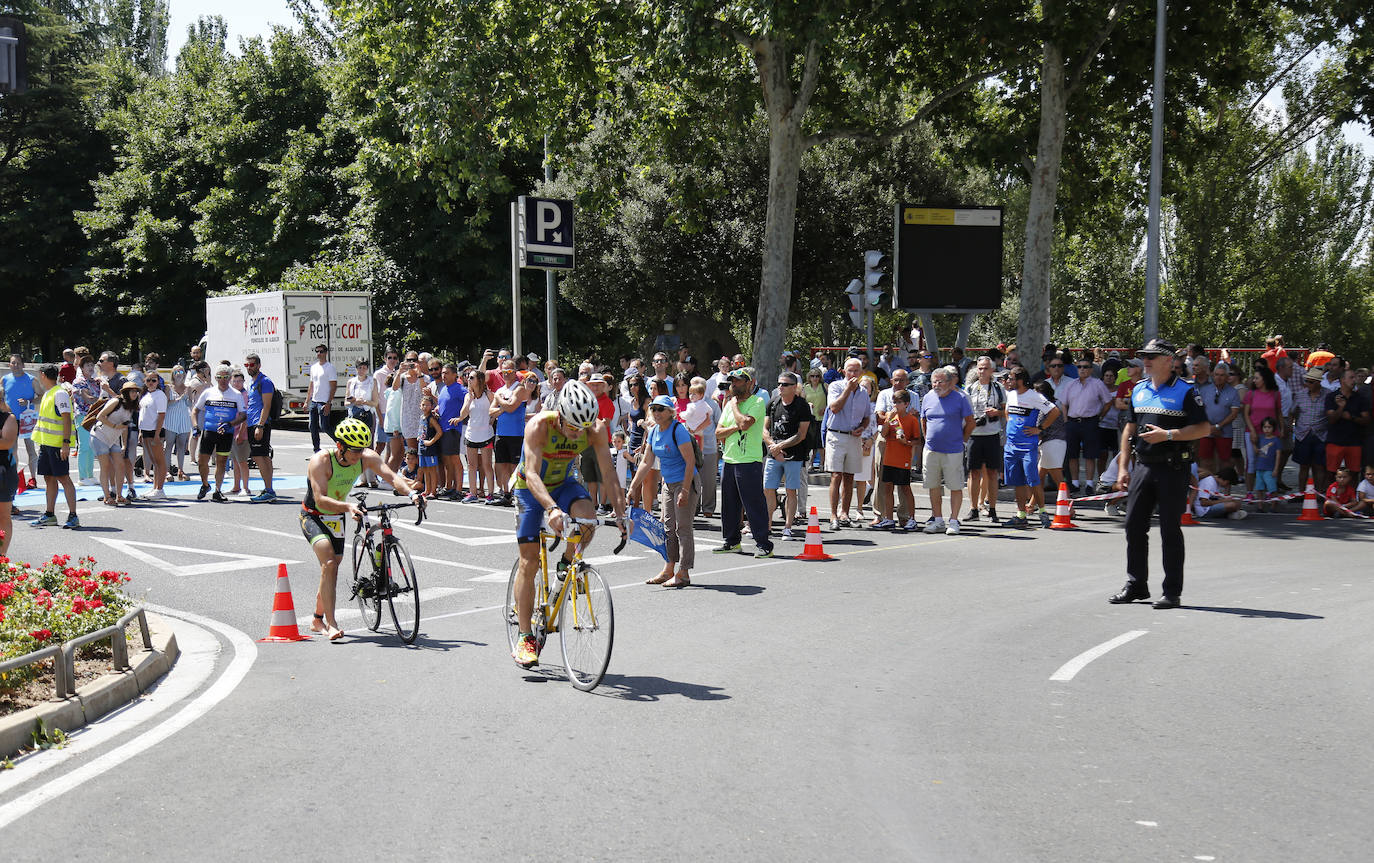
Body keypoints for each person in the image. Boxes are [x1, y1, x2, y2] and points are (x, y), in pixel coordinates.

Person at [510, 381, 627, 668]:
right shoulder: (539, 425)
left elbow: (609, 473)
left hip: (564, 483)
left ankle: (566, 563)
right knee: (529, 562)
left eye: (582, 428)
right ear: (560, 415)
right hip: (530, 487)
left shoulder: (594, 429)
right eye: (572, 427)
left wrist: (622, 515)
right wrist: (551, 509)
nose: (578, 433)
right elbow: (533, 474)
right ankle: (525, 638)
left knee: (587, 519)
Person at [1110, 340, 1211, 610]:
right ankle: (1136, 584)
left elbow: (1203, 428)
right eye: (1144, 356)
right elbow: (1129, 430)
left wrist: (1168, 435)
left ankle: (1172, 591)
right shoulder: (1139, 390)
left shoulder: (1187, 391)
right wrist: (1122, 467)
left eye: (1152, 356)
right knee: (1133, 526)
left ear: (1168, 360)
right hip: (1143, 466)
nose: (1146, 360)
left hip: (1172, 467)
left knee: (1169, 530)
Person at [301, 417, 423, 641]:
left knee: (331, 567)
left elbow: (391, 476)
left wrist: (412, 494)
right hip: (314, 515)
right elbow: (320, 499)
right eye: (354, 451)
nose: (359, 455)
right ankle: (331, 624)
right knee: (329, 562)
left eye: (362, 450)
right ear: (340, 446)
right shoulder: (321, 461)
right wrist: (348, 506)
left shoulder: (366, 457)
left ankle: (317, 619)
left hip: (337, 515)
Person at [630, 395, 699, 586]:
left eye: (661, 409)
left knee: (682, 527)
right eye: (654, 409)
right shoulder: (653, 432)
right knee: (668, 528)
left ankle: (683, 572)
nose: (656, 413)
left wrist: (685, 491)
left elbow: (690, 461)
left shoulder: (678, 430)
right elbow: (646, 462)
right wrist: (633, 487)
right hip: (668, 484)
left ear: (670, 412)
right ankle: (669, 568)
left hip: (685, 481)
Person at [714, 368, 774, 557]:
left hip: (749, 461)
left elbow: (745, 424)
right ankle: (732, 541)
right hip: (730, 460)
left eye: (739, 381)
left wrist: (733, 407)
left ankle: (763, 544)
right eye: (732, 381)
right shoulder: (728, 405)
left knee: (754, 504)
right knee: (729, 504)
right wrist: (734, 426)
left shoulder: (756, 401)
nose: (734, 384)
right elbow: (718, 432)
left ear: (749, 383)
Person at [918, 366, 974, 535]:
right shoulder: (928, 397)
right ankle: (937, 520)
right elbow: (924, 420)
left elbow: (971, 422)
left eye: (940, 381)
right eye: (934, 381)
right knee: (933, 485)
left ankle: (954, 521)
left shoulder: (960, 398)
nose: (936, 385)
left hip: (953, 450)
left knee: (955, 486)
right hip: (931, 450)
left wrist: (962, 441)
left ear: (950, 383)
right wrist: (928, 439)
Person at [1002, 367, 1060, 529]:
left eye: (1011, 378)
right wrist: (1011, 426)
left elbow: (1055, 411)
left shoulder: (1034, 396)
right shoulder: (1011, 395)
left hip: (1028, 446)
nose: (1008, 381)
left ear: (1020, 380)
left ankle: (1042, 512)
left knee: (1033, 480)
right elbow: (1007, 412)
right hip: (1011, 446)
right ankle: (1021, 515)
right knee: (1018, 482)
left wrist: (1039, 429)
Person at [762, 372, 812, 540]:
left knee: (791, 490)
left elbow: (801, 434)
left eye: (784, 384)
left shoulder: (802, 406)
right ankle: (767, 525)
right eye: (779, 383)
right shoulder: (773, 403)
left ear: (794, 387)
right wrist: (773, 447)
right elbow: (764, 429)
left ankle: (788, 527)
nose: (780, 387)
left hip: (794, 455)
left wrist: (781, 446)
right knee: (768, 489)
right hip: (773, 453)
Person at [30, 364, 79, 529]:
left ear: (43, 375)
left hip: (57, 445)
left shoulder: (59, 394)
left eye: (39, 375)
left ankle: (73, 516)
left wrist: (65, 444)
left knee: (64, 478)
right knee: (49, 478)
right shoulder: (49, 393)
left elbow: (66, 418)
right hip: (46, 444)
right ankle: (49, 514)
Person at [825, 357, 872, 530]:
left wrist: (862, 427)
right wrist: (847, 390)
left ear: (861, 373)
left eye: (856, 371)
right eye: (850, 370)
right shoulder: (836, 387)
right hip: (837, 435)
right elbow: (834, 408)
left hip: (854, 437)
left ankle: (844, 513)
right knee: (836, 475)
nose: (853, 374)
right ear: (844, 371)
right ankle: (833, 515)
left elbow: (867, 416)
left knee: (849, 477)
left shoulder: (863, 392)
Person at [1058, 354, 1113, 495]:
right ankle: (1075, 483)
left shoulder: (1097, 384)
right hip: (1072, 422)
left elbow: (1108, 402)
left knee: (1090, 455)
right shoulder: (1071, 384)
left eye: (1085, 367)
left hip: (1090, 421)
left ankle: (1089, 483)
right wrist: (1065, 420)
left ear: (1090, 369)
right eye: (1079, 367)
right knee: (1072, 454)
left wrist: (1099, 416)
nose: (1082, 369)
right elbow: (1064, 403)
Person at [194, 366, 247, 503]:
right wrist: (195, 426)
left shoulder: (236, 394)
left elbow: (242, 415)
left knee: (221, 462)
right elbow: (195, 410)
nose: (222, 380)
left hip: (226, 432)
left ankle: (218, 490)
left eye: (225, 377)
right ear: (216, 378)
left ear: (230, 378)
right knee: (202, 461)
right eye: (220, 377)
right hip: (209, 431)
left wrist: (230, 424)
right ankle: (205, 485)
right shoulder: (208, 392)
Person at [872, 389, 920, 530]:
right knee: (888, 487)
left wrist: (907, 442)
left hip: (903, 459)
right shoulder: (891, 417)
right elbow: (885, 433)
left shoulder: (911, 420)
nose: (896, 405)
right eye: (894, 402)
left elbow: (917, 440)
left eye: (899, 402)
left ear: (906, 404)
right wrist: (888, 419)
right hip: (889, 458)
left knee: (905, 487)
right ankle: (889, 518)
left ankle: (911, 518)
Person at [965, 357, 1005, 522]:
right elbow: (964, 412)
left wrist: (997, 412)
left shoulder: (998, 387)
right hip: (975, 434)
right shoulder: (970, 388)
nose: (982, 371)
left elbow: (1006, 410)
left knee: (992, 472)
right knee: (974, 473)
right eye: (980, 368)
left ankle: (993, 509)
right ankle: (973, 509)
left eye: (985, 368)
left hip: (992, 434)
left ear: (992, 370)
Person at [491, 361, 535, 504]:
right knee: (502, 465)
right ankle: (506, 493)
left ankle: (518, 493)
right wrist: (503, 406)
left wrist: (498, 400)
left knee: (514, 465)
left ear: (515, 372)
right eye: (504, 371)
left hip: (516, 434)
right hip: (501, 433)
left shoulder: (519, 388)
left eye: (509, 371)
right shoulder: (500, 390)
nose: (506, 374)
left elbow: (511, 408)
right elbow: (491, 411)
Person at [1195, 363, 1242, 476]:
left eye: (1222, 375)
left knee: (1225, 460)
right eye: (1216, 375)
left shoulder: (1233, 392)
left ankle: (1225, 488)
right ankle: (1208, 485)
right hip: (1206, 430)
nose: (1218, 377)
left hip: (1225, 432)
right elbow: (1200, 409)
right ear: (1212, 375)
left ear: (1227, 377)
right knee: (1205, 459)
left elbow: (1234, 413)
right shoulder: (1204, 390)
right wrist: (1209, 427)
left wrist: (1217, 426)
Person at [243, 353, 278, 502]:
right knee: (263, 456)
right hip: (253, 423)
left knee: (258, 456)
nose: (249, 368)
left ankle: (269, 490)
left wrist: (260, 425)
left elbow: (267, 405)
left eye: (252, 365)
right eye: (247, 365)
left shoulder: (265, 381)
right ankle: (269, 489)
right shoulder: (252, 381)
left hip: (259, 423)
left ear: (258, 365)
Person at [460, 367, 496, 502]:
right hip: (471, 434)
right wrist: (469, 399)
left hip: (486, 435)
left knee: (487, 465)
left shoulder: (489, 395)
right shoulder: (467, 396)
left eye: (471, 377)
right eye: (468, 377)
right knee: (471, 465)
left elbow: (495, 409)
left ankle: (490, 494)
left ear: (479, 380)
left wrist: (491, 420)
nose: (468, 379)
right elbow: (463, 414)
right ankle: (473, 493)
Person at [1324, 368, 1369, 477]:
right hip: (1335, 441)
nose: (1354, 380)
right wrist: (1341, 408)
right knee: (1331, 473)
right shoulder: (1332, 397)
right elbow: (1331, 419)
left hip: (1354, 442)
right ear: (1342, 380)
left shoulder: (1360, 398)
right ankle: (1330, 493)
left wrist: (1352, 417)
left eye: (1355, 377)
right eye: (1351, 377)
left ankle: (1351, 494)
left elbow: (1366, 420)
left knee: (1353, 473)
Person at [1291, 366, 1329, 492]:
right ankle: (1301, 493)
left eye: (1311, 382)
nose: (1307, 384)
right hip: (1303, 434)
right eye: (1306, 381)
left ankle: (1319, 493)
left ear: (1318, 382)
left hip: (1321, 435)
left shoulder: (1328, 394)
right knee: (1304, 466)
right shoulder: (1300, 395)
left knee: (1319, 467)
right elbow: (1293, 411)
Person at [3, 354, 37, 487]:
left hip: (27, 419)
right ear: (9, 365)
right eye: (13, 363)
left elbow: (41, 395)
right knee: (12, 450)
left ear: (23, 365)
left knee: (30, 449)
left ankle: (33, 478)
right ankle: (14, 478)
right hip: (10, 420)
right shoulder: (4, 380)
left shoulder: (31, 380)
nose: (15, 365)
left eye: (18, 363)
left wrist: (29, 401)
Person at [434, 363, 467, 499]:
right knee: (446, 459)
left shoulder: (460, 389)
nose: (444, 375)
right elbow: (443, 405)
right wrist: (437, 410)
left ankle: (458, 490)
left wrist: (460, 417)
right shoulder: (443, 389)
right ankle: (449, 486)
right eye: (443, 373)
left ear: (455, 375)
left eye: (447, 373)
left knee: (454, 458)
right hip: (442, 428)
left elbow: (469, 400)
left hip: (453, 428)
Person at [162, 368, 194, 483]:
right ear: (173, 375)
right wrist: (178, 399)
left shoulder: (188, 388)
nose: (179, 375)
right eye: (176, 372)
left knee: (182, 445)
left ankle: (181, 469)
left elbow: (190, 403)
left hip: (184, 418)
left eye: (181, 372)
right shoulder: (168, 388)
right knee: (169, 445)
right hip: (171, 418)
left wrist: (186, 399)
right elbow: (166, 404)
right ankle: (167, 470)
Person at [306, 344, 337, 452]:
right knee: (312, 427)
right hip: (314, 401)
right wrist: (307, 401)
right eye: (317, 351)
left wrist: (328, 403)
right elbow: (311, 386)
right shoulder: (314, 367)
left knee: (324, 427)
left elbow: (333, 387)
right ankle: (316, 450)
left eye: (321, 351)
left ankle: (341, 444)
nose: (319, 353)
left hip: (324, 402)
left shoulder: (330, 368)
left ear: (326, 353)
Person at [0, 388, 17, 554]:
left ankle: (2, 557)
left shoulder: (9, 418)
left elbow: (6, 443)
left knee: (3, 516)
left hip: (3, 473)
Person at [1252, 416, 1281, 512]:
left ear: (1273, 428)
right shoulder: (1260, 438)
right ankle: (1260, 505)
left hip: (1270, 469)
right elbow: (1257, 451)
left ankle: (1274, 505)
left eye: (1269, 427)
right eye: (1265, 427)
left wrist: (1276, 469)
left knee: (1272, 488)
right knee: (1259, 488)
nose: (1267, 429)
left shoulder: (1276, 440)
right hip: (1260, 467)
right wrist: (1253, 444)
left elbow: (1278, 455)